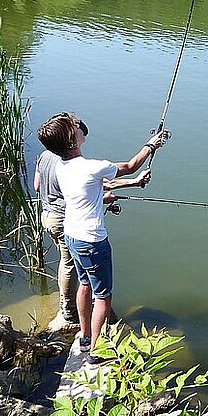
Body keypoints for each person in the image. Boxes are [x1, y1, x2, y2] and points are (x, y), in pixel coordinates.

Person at [37, 112, 164, 361]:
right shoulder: (92, 167)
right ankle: (96, 349)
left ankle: (85, 336)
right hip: (93, 240)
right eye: (74, 128)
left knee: (84, 285)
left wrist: (133, 184)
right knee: (103, 296)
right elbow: (130, 166)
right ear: (73, 141)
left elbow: (97, 187)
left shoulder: (61, 166)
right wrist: (152, 145)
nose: (79, 127)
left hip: (72, 235)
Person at [35, 147, 149, 333]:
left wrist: (127, 185)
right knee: (100, 293)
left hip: (49, 217)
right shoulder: (76, 165)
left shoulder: (48, 157)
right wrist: (150, 147)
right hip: (77, 229)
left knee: (75, 271)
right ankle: (77, 322)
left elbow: (37, 186)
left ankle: (79, 323)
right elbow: (127, 167)